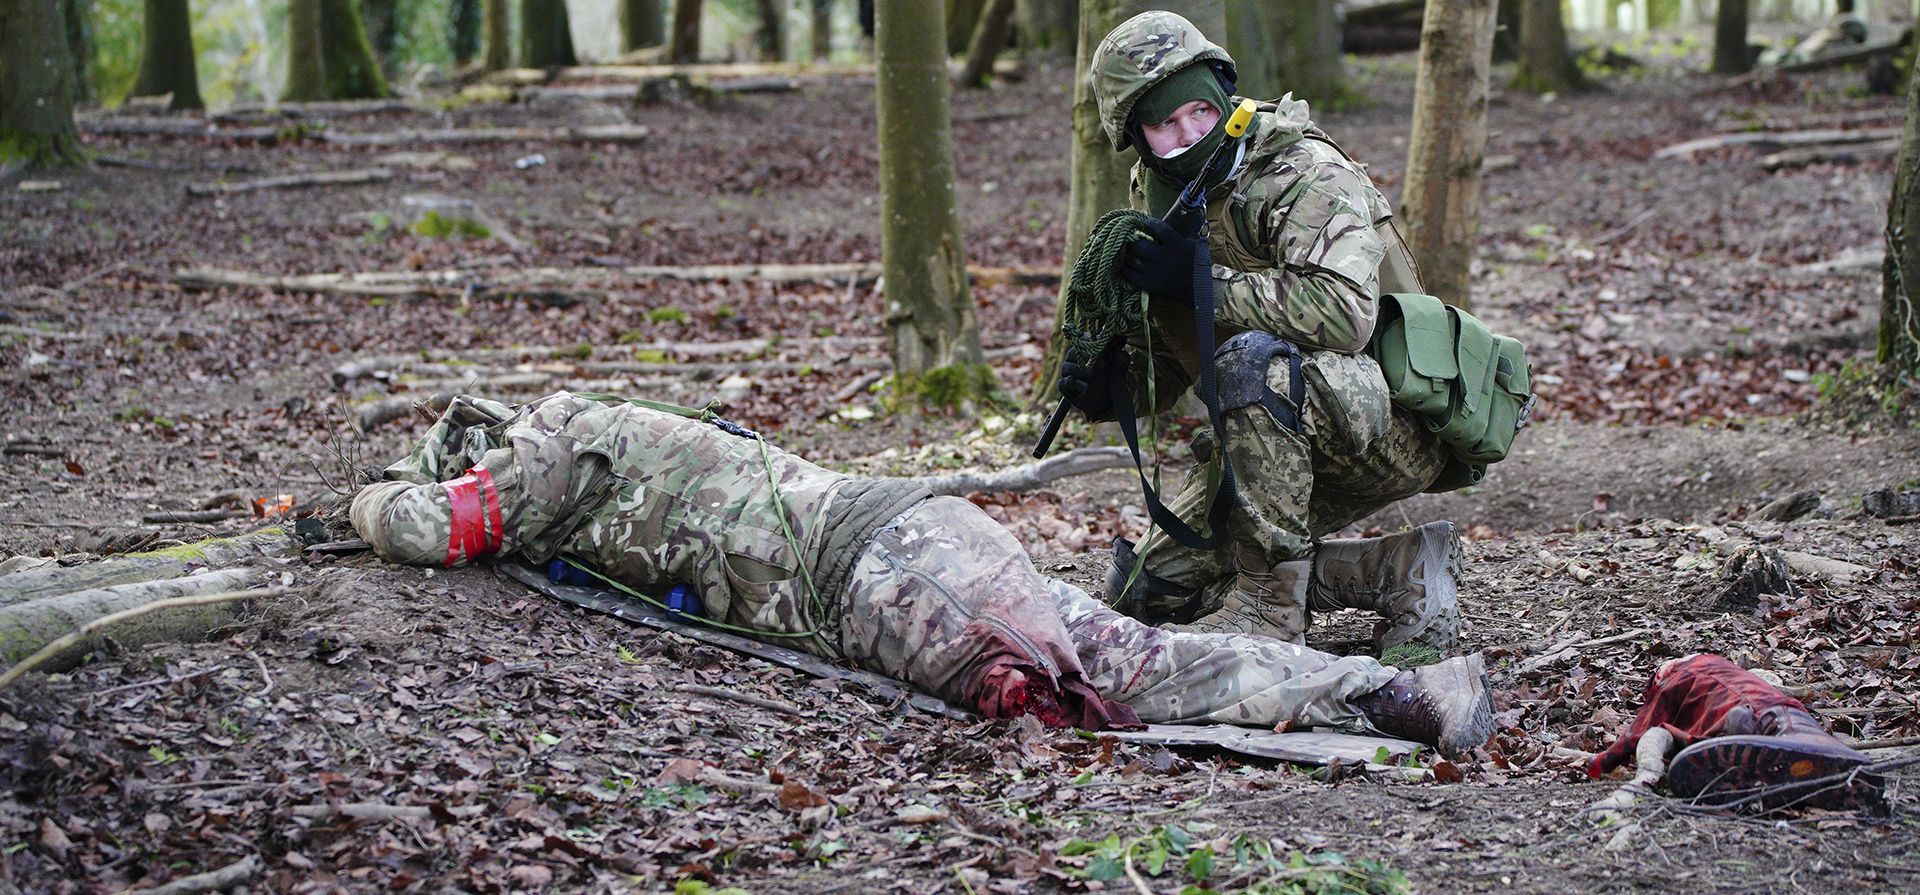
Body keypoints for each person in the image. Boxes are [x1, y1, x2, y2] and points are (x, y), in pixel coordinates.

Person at [349, 391, 1496, 757]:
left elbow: (439, 526)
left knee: (1109, 683)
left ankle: (1396, 695)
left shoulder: (556, 436)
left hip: (885, 576)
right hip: (912, 545)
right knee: (1128, 656)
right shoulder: (611, 438)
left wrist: (342, 505)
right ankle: (1398, 692)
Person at [1062, 10, 1463, 652]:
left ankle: (1270, 612)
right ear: (1134, 138)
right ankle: (1402, 569)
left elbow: (1344, 314)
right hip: (1264, 434)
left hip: (1388, 420)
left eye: (1199, 110)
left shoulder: (1304, 169)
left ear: (1223, 92)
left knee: (1254, 361)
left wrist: (1198, 280)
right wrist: (1112, 390)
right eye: (1163, 125)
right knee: (1151, 593)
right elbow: (1176, 350)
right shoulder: (1159, 191)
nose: (1189, 133)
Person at [1589, 654, 1885, 814]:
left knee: (1790, 735)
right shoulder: (1724, 672)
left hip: (1757, 715)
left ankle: (1817, 761)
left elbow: (1637, 734)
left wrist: (1597, 765)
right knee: (1792, 738)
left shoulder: (1681, 675)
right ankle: (1811, 778)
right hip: (1769, 716)